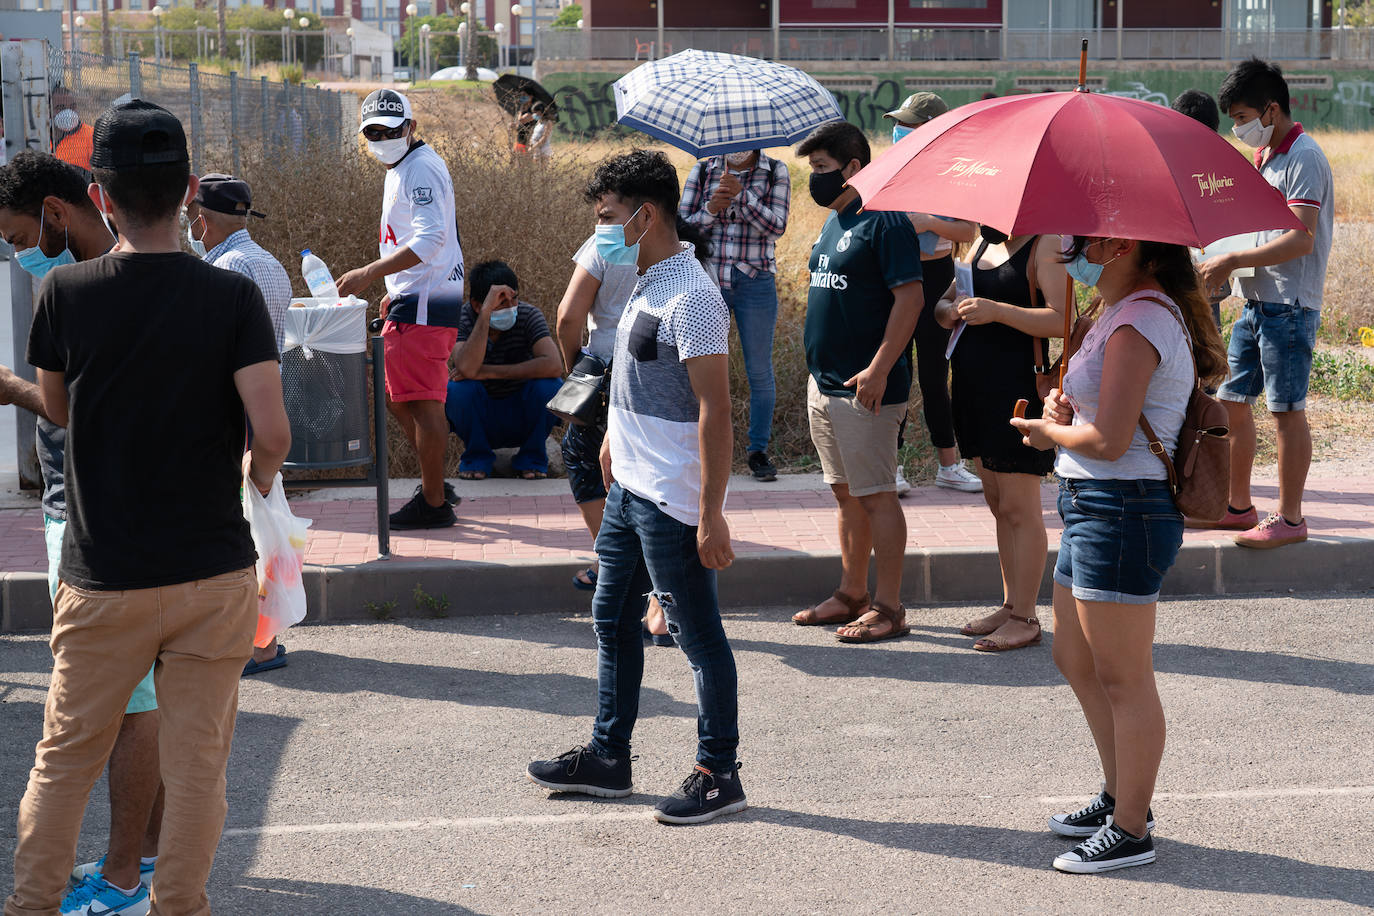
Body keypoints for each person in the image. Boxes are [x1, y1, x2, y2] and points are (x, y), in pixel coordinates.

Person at [7, 99, 289, 916]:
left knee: (64, 759)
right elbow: (271, 431)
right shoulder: (230, 300)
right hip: (212, 571)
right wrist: (258, 475)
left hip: (107, 573)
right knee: (197, 765)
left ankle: (32, 905)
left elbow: (59, 411)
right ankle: (179, 906)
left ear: (100, 195)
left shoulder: (64, 295)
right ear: (189, 190)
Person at [527, 149, 744, 825]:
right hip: (628, 489)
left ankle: (719, 772)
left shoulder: (695, 297)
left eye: (609, 217)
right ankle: (608, 755)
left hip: (673, 498)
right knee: (611, 618)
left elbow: (715, 409)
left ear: (645, 215)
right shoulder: (646, 281)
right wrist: (615, 439)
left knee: (695, 635)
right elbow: (633, 375)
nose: (602, 231)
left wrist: (711, 514)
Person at [1011, 235, 1227, 874]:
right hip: (1092, 503)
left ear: (1121, 244)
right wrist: (1063, 406)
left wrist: (1049, 431)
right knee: (1074, 655)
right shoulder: (1114, 310)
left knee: (1124, 677)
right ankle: (1118, 796)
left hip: (1124, 507)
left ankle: (1133, 828)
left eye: (1080, 235)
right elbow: (1102, 415)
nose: (1066, 244)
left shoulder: (1140, 318)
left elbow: (1107, 440)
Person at [0, 151, 166, 913]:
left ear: (57, 213)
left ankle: (126, 878)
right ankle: (146, 864)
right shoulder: (164, 274)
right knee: (138, 704)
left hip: (94, 526)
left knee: (111, 712)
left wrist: (10, 388)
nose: (17, 251)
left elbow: (77, 411)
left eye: (17, 234)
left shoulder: (72, 290)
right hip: (135, 520)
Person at [789, 121, 922, 644]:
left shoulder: (885, 222)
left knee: (877, 496)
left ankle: (889, 607)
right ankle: (852, 594)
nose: (815, 180)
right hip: (824, 385)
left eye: (822, 168)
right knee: (846, 494)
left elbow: (909, 300)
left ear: (854, 167)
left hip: (866, 387)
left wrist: (879, 368)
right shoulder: (835, 220)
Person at [1196, 58, 1334, 549]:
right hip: (1257, 302)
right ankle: (1238, 507)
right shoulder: (1267, 158)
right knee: (1233, 401)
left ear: (1271, 109)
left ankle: (1291, 519)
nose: (1239, 128)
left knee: (1286, 410)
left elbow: (1300, 238)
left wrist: (1231, 260)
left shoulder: (1304, 157)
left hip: (1289, 306)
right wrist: (1224, 265)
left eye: (1241, 117)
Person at [935, 227, 1068, 651]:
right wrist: (949, 311)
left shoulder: (1045, 243)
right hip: (974, 386)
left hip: (1017, 389)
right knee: (997, 503)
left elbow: (1064, 318)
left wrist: (998, 311)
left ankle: (1026, 616)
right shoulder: (982, 240)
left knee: (1019, 506)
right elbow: (944, 302)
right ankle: (1010, 605)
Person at [337, 89, 464, 530]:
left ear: (410, 128)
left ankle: (433, 502)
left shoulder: (418, 168)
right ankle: (436, 485)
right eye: (373, 131)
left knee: (422, 402)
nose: (382, 138)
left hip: (427, 303)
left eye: (391, 130)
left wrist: (369, 273)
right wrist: (396, 286)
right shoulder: (405, 165)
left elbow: (430, 241)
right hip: (419, 296)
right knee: (400, 398)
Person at [185, 171, 294, 677]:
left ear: (203, 220)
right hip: (264, 404)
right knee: (256, 525)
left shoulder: (222, 269)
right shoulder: (269, 263)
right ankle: (264, 639)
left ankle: (257, 646)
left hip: (229, 413)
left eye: (195, 218)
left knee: (237, 530)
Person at [554, 219, 673, 646]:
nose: (602, 220)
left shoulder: (605, 243)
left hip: (607, 372)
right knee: (653, 478)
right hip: (665, 374)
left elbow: (568, 317)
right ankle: (660, 598)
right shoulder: (681, 243)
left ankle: (616, 566)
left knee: (586, 460)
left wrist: (575, 373)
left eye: (606, 209)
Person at [882, 91, 982, 495]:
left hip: (937, 274)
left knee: (936, 375)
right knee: (894, 370)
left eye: (909, 126)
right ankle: (890, 465)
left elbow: (968, 230)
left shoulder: (953, 171)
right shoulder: (889, 168)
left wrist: (929, 222)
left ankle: (949, 464)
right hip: (895, 276)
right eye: (899, 125)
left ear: (934, 130)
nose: (900, 132)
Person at [679, 141, 790, 481]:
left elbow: (777, 227)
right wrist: (712, 208)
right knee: (697, 364)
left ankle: (757, 451)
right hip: (708, 280)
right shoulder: (703, 168)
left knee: (759, 370)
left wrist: (743, 196)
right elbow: (682, 229)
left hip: (755, 281)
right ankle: (693, 446)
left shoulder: (775, 171)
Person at [446, 259, 563, 480]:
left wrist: (488, 371)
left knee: (551, 387)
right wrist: (485, 316)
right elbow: (466, 368)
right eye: (500, 302)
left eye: (513, 299)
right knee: (457, 390)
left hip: (521, 410)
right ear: (477, 305)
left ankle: (532, 459)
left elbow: (554, 365)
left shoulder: (529, 315)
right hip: (481, 414)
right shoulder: (463, 318)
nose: (510, 307)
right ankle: (477, 459)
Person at [1170, 89, 1229, 331]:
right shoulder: (1168, 166)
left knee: (1205, 352)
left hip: (1201, 282)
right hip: (1172, 285)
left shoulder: (1219, 172)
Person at [51, 85, 94, 172]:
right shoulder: (40, 136)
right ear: (49, 110)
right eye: (60, 108)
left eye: (72, 107)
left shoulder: (91, 135)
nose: (68, 113)